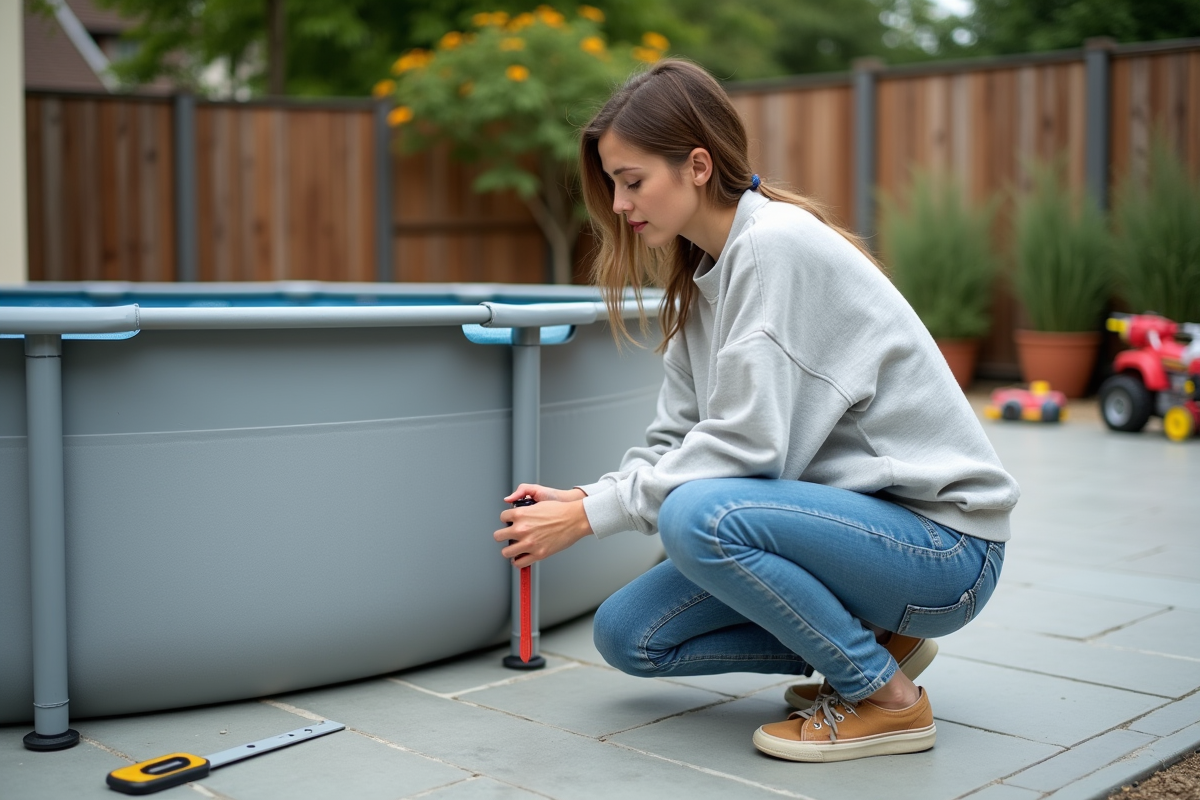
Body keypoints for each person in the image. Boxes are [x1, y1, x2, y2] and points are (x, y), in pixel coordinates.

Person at [493, 59, 1018, 763]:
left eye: (631, 180)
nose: (619, 206)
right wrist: (587, 496)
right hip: (857, 542)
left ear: (698, 166)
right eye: (615, 185)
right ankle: (871, 649)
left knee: (696, 516)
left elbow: (749, 451)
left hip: (946, 550)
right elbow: (677, 438)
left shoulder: (775, 248)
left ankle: (885, 697)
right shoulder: (701, 279)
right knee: (630, 634)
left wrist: (592, 517)